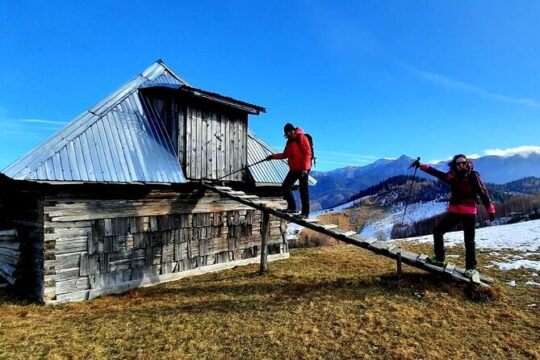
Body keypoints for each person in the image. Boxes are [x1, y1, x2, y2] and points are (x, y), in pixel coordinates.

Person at [411, 154, 496, 278]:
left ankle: (470, 268)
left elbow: (483, 192)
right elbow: (437, 173)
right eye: (458, 163)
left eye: (463, 163)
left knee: (469, 241)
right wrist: (421, 166)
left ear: (467, 163)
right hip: (455, 211)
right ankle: (439, 259)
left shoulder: (473, 176)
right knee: (438, 231)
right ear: (454, 165)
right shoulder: (452, 176)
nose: (461, 165)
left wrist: (490, 210)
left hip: (469, 212)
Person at [265, 123, 312, 219]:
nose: (289, 133)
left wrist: (304, 168)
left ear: (293, 129)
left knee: (303, 191)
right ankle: (292, 207)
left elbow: (308, 153)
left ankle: (305, 213)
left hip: (303, 169)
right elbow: (284, 154)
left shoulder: (301, 137)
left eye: (290, 131)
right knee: (285, 186)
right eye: (287, 132)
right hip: (294, 169)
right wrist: (272, 156)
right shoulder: (289, 142)